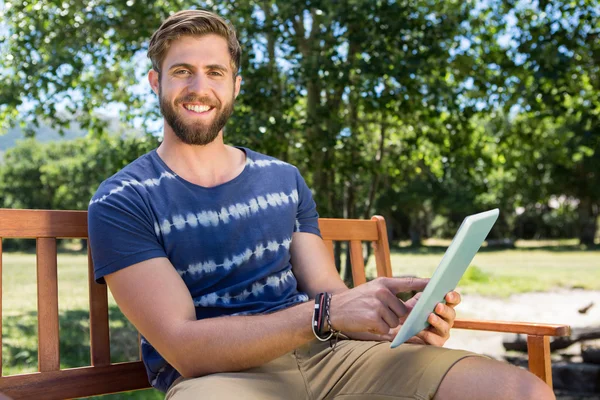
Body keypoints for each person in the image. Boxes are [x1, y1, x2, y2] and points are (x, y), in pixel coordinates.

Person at [88, 9, 555, 400]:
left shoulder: (283, 178)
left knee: (519, 392)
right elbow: (185, 348)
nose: (199, 87)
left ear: (235, 85)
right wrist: (324, 314)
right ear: (155, 81)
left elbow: (327, 292)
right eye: (181, 71)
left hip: (333, 358)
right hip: (220, 380)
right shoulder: (122, 200)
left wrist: (393, 317)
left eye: (215, 72)